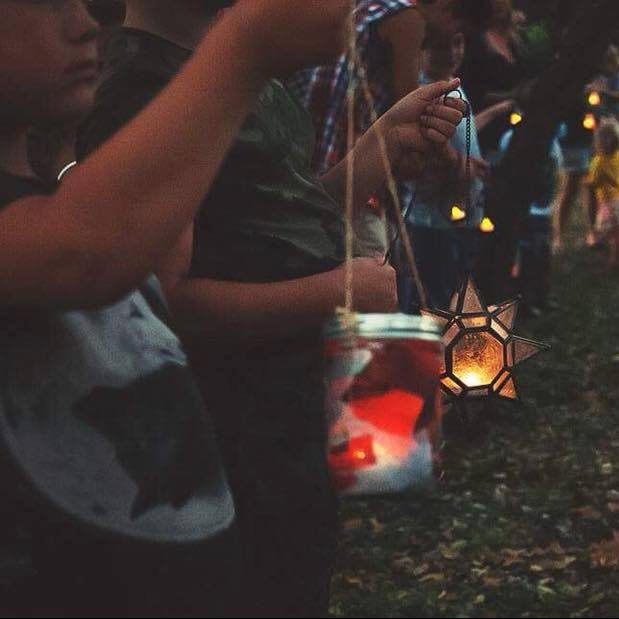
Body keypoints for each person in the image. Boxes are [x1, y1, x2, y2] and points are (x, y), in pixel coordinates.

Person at [77, 1, 466, 616]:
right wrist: (337, 292)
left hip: (288, 429)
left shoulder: (232, 76)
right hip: (226, 444)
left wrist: (377, 146)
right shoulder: (142, 93)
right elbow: (154, 310)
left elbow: (272, 228)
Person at [0, 0, 351, 615]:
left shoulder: (56, 185)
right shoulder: (65, 225)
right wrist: (249, 45)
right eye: (46, 3)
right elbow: (81, 255)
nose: (85, 24)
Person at [399, 31, 490, 311]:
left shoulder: (453, 86)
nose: (452, 52)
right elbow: (428, 144)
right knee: (437, 302)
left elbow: (461, 133)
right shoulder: (423, 91)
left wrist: (496, 112)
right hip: (433, 221)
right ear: (421, 51)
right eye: (440, 46)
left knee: (457, 294)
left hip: (461, 215)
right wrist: (460, 164)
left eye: (457, 42)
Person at [587, 118, 619, 269]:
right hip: (616, 198)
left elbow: (594, 183)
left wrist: (585, 182)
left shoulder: (598, 162)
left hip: (609, 202)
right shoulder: (617, 155)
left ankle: (613, 260)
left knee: (612, 233)